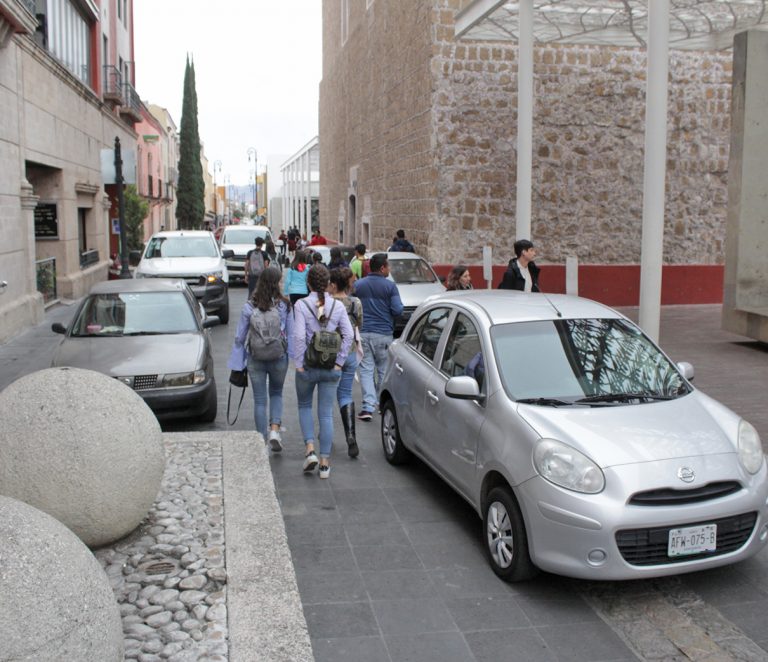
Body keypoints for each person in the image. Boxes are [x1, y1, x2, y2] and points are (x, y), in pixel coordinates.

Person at [291, 264, 354, 478]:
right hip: (330, 365)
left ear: (308, 283)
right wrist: (340, 362)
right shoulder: (337, 306)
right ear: (328, 284)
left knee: (304, 406)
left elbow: (299, 336)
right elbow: (349, 335)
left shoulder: (300, 305)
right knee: (326, 413)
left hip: (308, 364)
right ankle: (325, 463)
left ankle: (310, 450)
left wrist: (299, 363)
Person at [227, 266, 292, 453]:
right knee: (277, 393)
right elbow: (291, 333)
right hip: (279, 356)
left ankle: (261, 441)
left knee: (260, 400)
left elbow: (239, 337)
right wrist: (295, 358)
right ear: (276, 283)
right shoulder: (284, 305)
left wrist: (238, 361)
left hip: (255, 357)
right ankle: (274, 431)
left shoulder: (250, 305)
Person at [353, 253, 403, 421]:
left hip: (364, 333)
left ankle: (368, 407)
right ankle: (382, 405)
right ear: (382, 268)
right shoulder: (390, 287)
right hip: (384, 334)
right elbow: (398, 310)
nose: (389, 269)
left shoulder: (359, 285)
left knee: (366, 370)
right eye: (388, 266)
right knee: (383, 370)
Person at [328, 267, 363, 458]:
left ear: (332, 284)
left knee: (327, 395)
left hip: (329, 354)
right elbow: (359, 324)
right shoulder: (355, 302)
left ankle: (326, 434)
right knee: (346, 394)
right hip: (349, 352)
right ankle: (351, 436)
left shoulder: (325, 303)